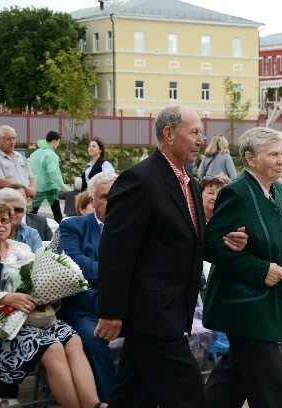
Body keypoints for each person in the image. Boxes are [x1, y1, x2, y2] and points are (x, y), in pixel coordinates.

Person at [94, 106, 247, 407]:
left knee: (133, 393)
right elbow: (115, 251)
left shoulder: (189, 182)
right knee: (188, 393)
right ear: (168, 134)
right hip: (152, 311)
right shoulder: (139, 180)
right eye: (193, 133)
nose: (201, 140)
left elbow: (190, 243)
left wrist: (226, 244)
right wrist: (111, 310)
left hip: (174, 308)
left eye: (201, 133)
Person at [203, 127, 282, 407]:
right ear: (251, 159)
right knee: (271, 387)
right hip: (244, 304)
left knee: (231, 381)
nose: (281, 160)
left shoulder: (277, 190)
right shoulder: (236, 193)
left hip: (269, 302)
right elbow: (212, 246)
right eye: (273, 154)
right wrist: (259, 269)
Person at [0, 202, 107, 408]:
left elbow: (38, 283)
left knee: (73, 339)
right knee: (51, 347)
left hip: (32, 317)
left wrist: (51, 296)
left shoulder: (22, 249)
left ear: (12, 223)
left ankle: (94, 404)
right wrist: (5, 298)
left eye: (4, 220)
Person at [57, 172, 119, 402]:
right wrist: (117, 275)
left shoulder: (134, 228)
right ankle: (111, 401)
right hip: (84, 307)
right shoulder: (74, 226)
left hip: (125, 305)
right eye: (104, 197)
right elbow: (75, 263)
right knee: (94, 341)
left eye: (116, 196)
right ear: (92, 201)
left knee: (154, 334)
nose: (111, 202)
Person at [28, 131, 67, 222]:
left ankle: (25, 227)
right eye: (58, 142)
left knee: (32, 211)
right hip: (49, 187)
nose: (58, 144)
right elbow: (52, 172)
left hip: (36, 186)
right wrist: (62, 185)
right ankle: (60, 231)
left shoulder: (36, 153)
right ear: (54, 141)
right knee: (56, 212)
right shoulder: (51, 154)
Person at [0, 125, 36, 199]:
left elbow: (31, 176)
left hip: (25, 202)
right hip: (6, 205)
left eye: (14, 138)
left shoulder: (19, 156)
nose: (12, 142)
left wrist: (31, 193)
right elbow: (1, 182)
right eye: (8, 139)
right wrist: (27, 191)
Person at [0, 188, 42, 252]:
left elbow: (39, 260)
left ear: (24, 212)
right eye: (7, 209)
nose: (13, 213)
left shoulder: (31, 233)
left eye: (18, 210)